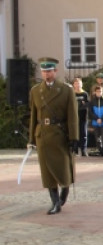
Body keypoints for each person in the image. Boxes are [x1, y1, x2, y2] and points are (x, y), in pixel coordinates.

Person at [28, 58, 78, 215]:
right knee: (47, 171)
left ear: (55, 71)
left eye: (49, 71)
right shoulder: (36, 91)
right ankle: (55, 202)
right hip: (43, 135)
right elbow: (33, 117)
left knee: (63, 169)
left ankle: (65, 191)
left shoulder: (65, 90)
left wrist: (74, 138)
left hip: (60, 134)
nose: (46, 74)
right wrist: (31, 139)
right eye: (43, 71)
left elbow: (72, 116)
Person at [88, 84, 103, 156]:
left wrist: (102, 118)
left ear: (102, 92)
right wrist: (97, 119)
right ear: (95, 92)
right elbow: (90, 112)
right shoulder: (92, 102)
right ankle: (100, 150)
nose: (99, 93)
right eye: (97, 91)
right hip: (95, 122)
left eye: (100, 91)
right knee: (97, 137)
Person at [72, 77, 89, 156]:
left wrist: (84, 104)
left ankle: (83, 150)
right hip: (74, 116)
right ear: (73, 85)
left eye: (79, 83)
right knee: (75, 133)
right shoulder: (72, 93)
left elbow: (88, 104)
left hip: (83, 115)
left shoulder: (84, 94)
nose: (77, 85)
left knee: (83, 133)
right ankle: (74, 150)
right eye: (76, 84)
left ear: (81, 84)